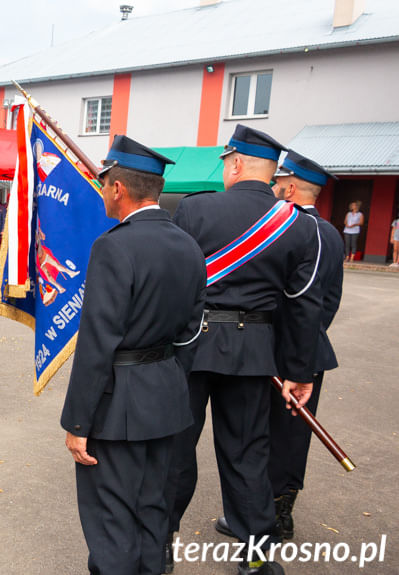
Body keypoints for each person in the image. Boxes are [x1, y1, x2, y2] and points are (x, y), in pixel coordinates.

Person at [166, 125, 321, 575]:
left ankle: (159, 546)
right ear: (272, 174)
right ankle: (256, 559)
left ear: (234, 164)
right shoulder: (296, 223)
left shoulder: (195, 209)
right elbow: (303, 307)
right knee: (249, 456)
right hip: (255, 354)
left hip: (193, 347)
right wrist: (299, 371)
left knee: (175, 450)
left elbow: (174, 282)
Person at [61, 136, 205, 575]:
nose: (103, 193)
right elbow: (190, 332)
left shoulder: (113, 246)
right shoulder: (189, 245)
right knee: (153, 507)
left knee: (112, 519)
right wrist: (163, 380)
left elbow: (97, 342)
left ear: (118, 188)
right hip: (166, 398)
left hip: (117, 406)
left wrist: (78, 423)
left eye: (105, 185)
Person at [212, 151, 345, 543]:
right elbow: (329, 301)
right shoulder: (331, 232)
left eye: (276, 183)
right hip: (306, 351)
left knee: (257, 437)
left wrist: (289, 354)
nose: (272, 189)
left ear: (287, 187)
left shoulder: (293, 227)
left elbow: (295, 300)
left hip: (278, 351)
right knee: (291, 438)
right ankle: (279, 516)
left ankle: (263, 522)